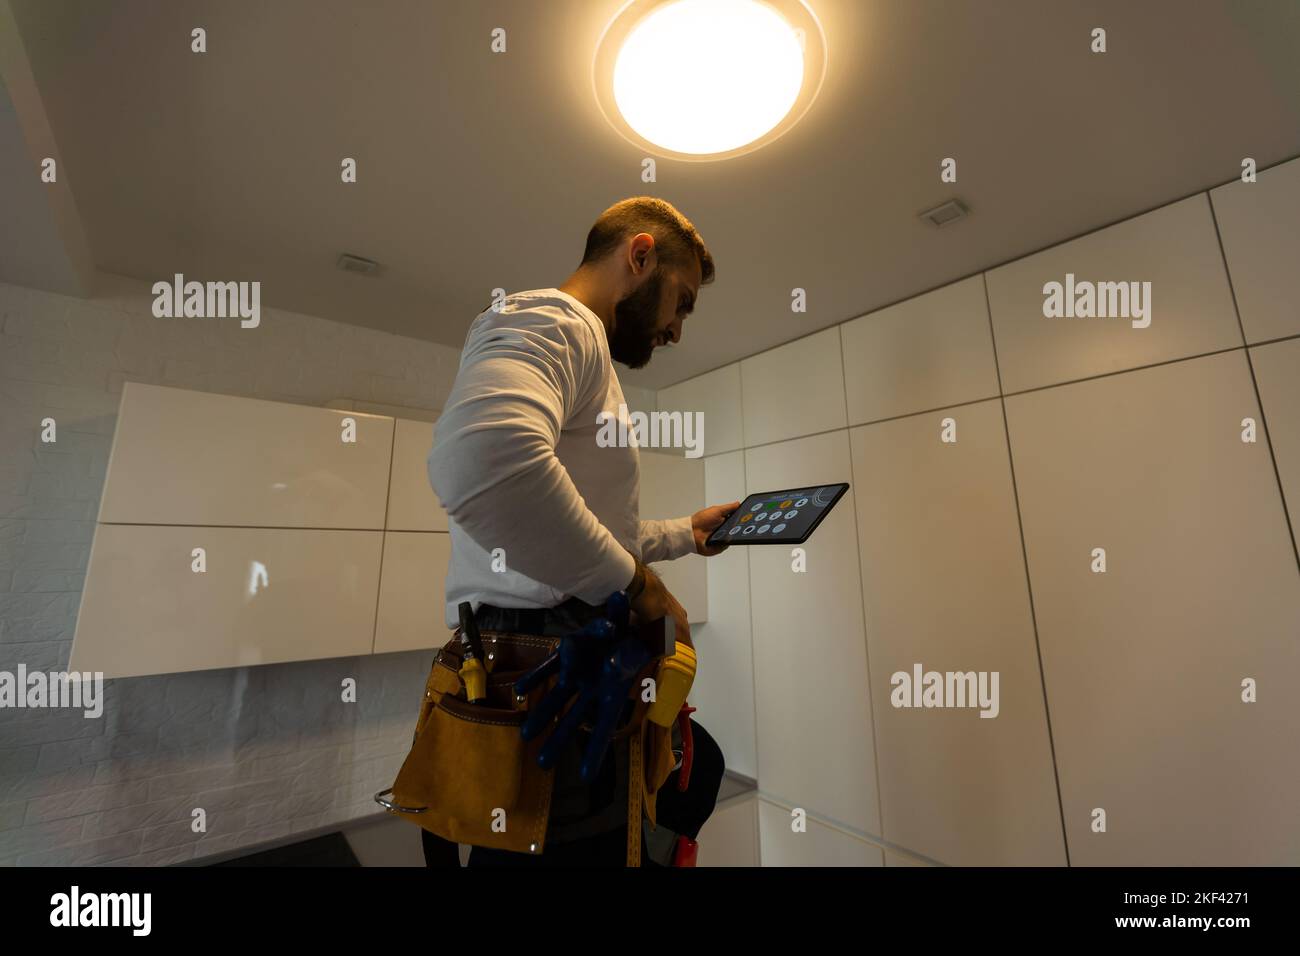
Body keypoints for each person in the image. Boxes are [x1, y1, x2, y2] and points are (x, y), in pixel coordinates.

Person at [423, 196, 733, 866]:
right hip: (555, 664)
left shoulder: (583, 349)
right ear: (639, 255)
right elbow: (481, 462)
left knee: (691, 773)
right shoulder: (553, 319)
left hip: (553, 657)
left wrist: (684, 533)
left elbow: (586, 530)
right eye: (681, 301)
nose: (678, 330)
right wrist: (637, 583)